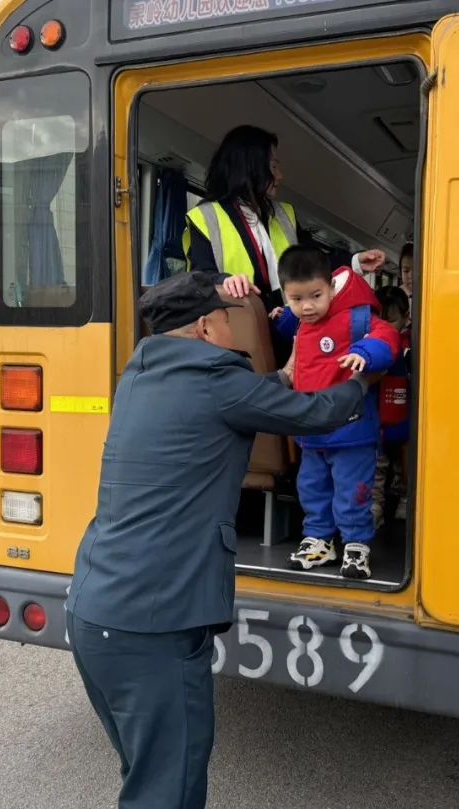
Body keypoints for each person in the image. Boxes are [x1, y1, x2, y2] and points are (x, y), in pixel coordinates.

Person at [65, 272, 372, 809]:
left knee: (148, 776)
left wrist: (281, 377)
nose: (236, 332)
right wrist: (363, 382)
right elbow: (319, 414)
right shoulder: (217, 380)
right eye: (231, 322)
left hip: (94, 612)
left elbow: (232, 400)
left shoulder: (141, 376)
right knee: (169, 790)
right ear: (208, 326)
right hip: (153, 625)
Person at [270, 246, 400, 579]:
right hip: (312, 429)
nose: (308, 306)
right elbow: (303, 334)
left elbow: (387, 335)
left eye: (315, 295)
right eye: (297, 300)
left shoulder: (355, 316)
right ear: (286, 295)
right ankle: (319, 539)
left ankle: (356, 543)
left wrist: (365, 353)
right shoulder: (301, 323)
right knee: (312, 488)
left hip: (352, 429)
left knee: (353, 489)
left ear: (331, 287)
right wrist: (283, 318)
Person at [182, 124, 386, 311]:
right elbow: (199, 279)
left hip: (288, 323)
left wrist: (356, 261)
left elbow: (314, 262)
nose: (280, 176)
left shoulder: (284, 215)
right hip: (238, 327)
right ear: (251, 168)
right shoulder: (205, 217)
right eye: (273, 167)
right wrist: (225, 280)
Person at [372, 286, 412, 527]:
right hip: (380, 422)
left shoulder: (410, 346)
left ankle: (404, 498)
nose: (386, 326)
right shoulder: (374, 346)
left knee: (401, 462)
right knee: (377, 466)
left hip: (401, 422)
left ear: (407, 318)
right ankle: (376, 508)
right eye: (381, 320)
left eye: (392, 321)